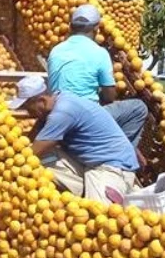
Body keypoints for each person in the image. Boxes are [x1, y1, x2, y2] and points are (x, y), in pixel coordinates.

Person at [8, 74, 139, 204]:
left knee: (100, 215)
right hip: (90, 164)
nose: (29, 113)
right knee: (45, 158)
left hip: (111, 166)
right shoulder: (58, 101)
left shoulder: (62, 112)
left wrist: (5, 170)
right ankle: (87, 192)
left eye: (28, 108)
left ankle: (118, 189)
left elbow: (31, 152)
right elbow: (32, 141)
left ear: (42, 101)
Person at [46, 3, 149, 146]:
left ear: (71, 26)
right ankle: (121, 149)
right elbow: (110, 96)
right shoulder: (99, 53)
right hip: (85, 116)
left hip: (57, 112)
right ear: (96, 28)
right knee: (139, 107)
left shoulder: (56, 50)